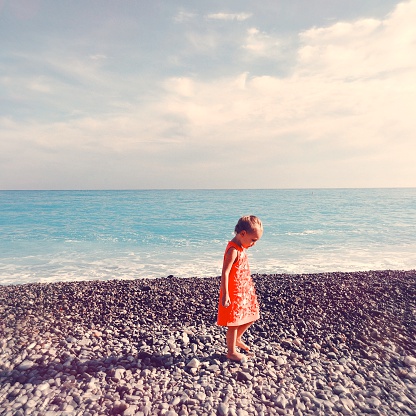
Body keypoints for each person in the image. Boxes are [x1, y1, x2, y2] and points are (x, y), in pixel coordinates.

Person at [217, 215, 263, 362]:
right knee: (234, 322)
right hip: (234, 291)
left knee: (253, 314)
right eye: (253, 240)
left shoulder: (242, 247)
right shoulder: (233, 250)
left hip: (244, 289)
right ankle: (231, 351)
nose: (254, 244)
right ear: (243, 234)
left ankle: (237, 339)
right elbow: (225, 272)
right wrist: (225, 294)